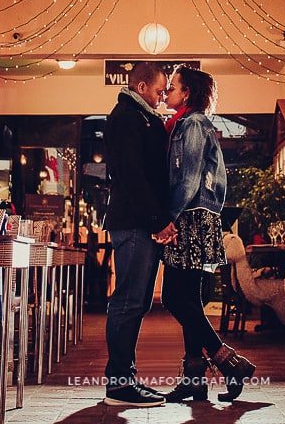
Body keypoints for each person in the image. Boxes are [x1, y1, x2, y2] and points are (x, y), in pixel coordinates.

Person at [158, 64, 256, 403]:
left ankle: (230, 362)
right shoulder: (182, 124)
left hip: (189, 217)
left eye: (173, 86)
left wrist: (168, 218)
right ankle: (195, 379)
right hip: (195, 217)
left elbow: (187, 178)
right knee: (189, 300)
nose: (167, 90)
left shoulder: (194, 124)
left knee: (174, 297)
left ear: (186, 93)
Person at [101, 61, 177, 406]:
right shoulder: (126, 116)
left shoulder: (139, 116)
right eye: (160, 91)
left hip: (138, 222)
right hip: (134, 222)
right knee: (128, 302)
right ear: (142, 86)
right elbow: (132, 175)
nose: (163, 97)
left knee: (135, 303)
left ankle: (124, 379)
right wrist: (157, 219)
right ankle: (119, 384)